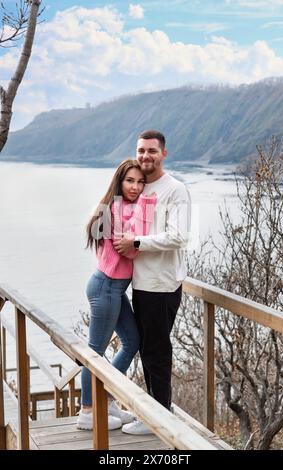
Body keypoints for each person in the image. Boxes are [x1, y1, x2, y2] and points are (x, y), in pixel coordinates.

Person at [113, 130, 191, 435]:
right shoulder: (139, 186)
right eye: (141, 150)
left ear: (164, 154)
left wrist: (137, 242)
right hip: (141, 283)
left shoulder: (175, 189)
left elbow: (178, 236)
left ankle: (159, 417)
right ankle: (156, 411)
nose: (145, 156)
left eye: (152, 151)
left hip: (162, 285)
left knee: (156, 351)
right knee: (146, 348)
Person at [77, 159, 157, 431]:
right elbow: (131, 249)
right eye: (130, 181)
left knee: (132, 341)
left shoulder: (126, 207)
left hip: (115, 288)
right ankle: (87, 410)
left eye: (140, 182)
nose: (135, 187)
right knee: (95, 352)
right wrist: (147, 206)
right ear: (119, 182)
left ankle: (106, 400)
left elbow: (138, 240)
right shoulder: (114, 209)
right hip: (105, 287)